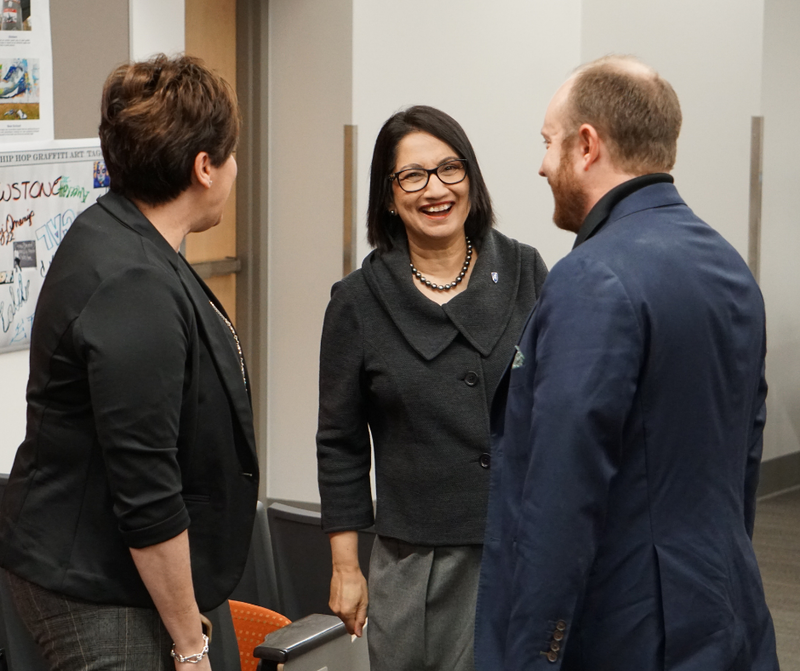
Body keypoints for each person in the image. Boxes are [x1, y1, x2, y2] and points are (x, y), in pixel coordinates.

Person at [475, 55, 779, 671]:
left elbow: (562, 493)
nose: (539, 163)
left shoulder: (591, 278)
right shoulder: (730, 269)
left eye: (547, 141)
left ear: (587, 146)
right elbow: (741, 462)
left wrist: (534, 656)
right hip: (726, 616)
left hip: (624, 632)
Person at [0, 54, 258, 671]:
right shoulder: (131, 280)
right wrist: (191, 648)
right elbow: (145, 489)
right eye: (230, 154)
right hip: (99, 591)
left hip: (117, 575)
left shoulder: (122, 237)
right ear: (204, 167)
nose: (235, 168)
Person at [316, 105, 548, 671]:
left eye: (450, 169)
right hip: (414, 559)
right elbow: (339, 442)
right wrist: (346, 566)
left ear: (471, 178)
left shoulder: (525, 271)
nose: (435, 189)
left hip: (519, 545)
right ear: (389, 195)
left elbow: (555, 407)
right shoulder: (358, 300)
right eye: (412, 176)